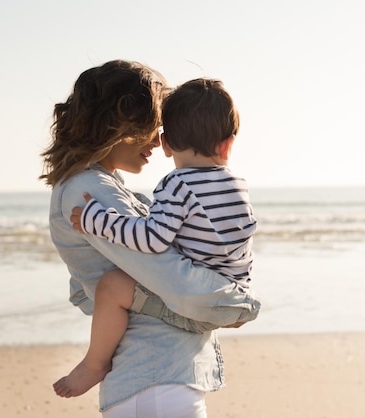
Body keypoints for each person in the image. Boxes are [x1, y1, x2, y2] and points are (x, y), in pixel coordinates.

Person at [40, 60, 261, 418]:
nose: (159, 143)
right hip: (155, 382)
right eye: (153, 127)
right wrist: (234, 304)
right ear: (119, 125)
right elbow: (176, 281)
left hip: (158, 383)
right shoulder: (89, 191)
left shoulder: (101, 188)